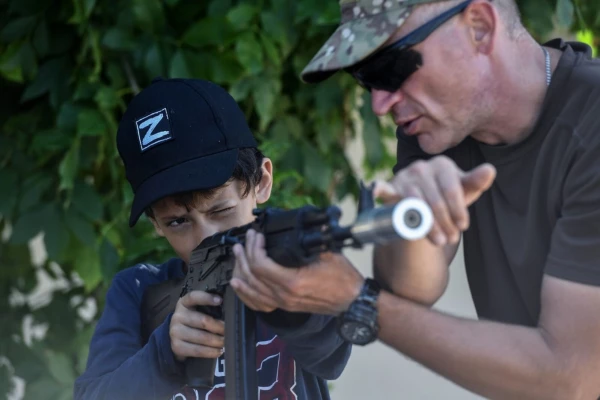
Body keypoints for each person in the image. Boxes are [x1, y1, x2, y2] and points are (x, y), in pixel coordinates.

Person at [229, 0, 600, 398]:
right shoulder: (439, 121)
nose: (379, 103)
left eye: (391, 68)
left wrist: (358, 301)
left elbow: (571, 378)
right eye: (365, 78)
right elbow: (409, 290)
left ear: (479, 26)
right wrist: (415, 211)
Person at [73, 77, 351, 400]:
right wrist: (164, 354)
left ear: (261, 182)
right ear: (156, 224)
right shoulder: (136, 291)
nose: (206, 238)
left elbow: (332, 356)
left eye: (221, 210)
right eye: (178, 221)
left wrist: (290, 302)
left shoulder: (295, 260)